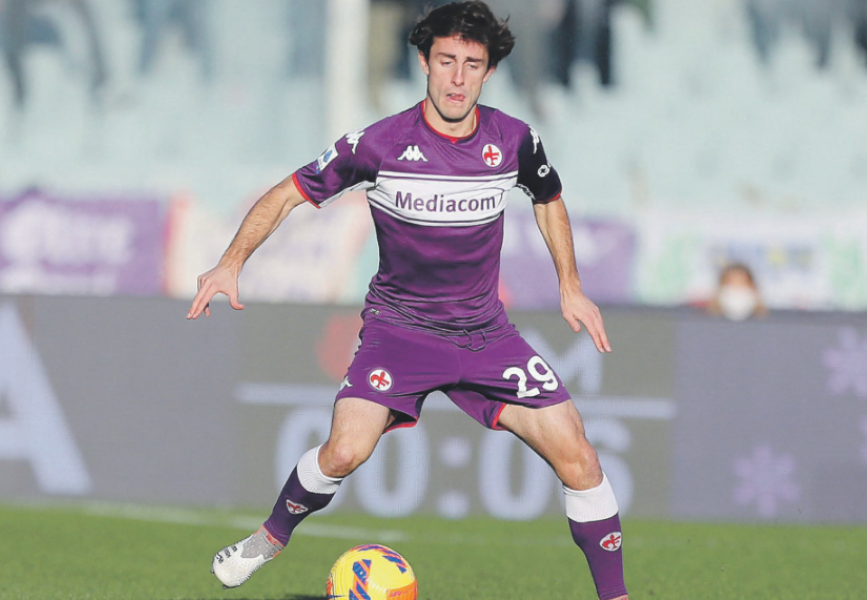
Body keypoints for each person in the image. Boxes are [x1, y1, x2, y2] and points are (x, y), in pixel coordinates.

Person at [187, 3, 628, 599]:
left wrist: (570, 286)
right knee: (344, 450)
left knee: (579, 457)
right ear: (423, 61)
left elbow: (548, 197)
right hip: (400, 331)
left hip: (485, 335)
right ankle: (268, 538)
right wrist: (231, 263)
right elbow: (288, 193)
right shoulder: (378, 144)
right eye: (446, 61)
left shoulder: (515, 139)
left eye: (472, 65)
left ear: (488, 72)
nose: (457, 77)